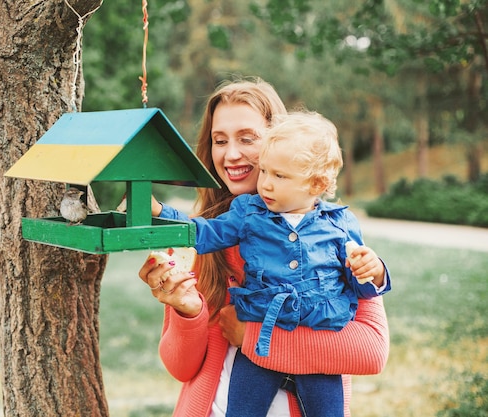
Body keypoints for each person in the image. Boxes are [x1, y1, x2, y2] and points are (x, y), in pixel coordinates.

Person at [138, 77, 390, 417]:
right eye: (219, 140)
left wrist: (251, 337)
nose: (231, 154)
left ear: (278, 140)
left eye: (247, 138)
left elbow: (371, 351)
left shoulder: (331, 231)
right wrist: (187, 310)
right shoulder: (200, 236)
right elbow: (181, 369)